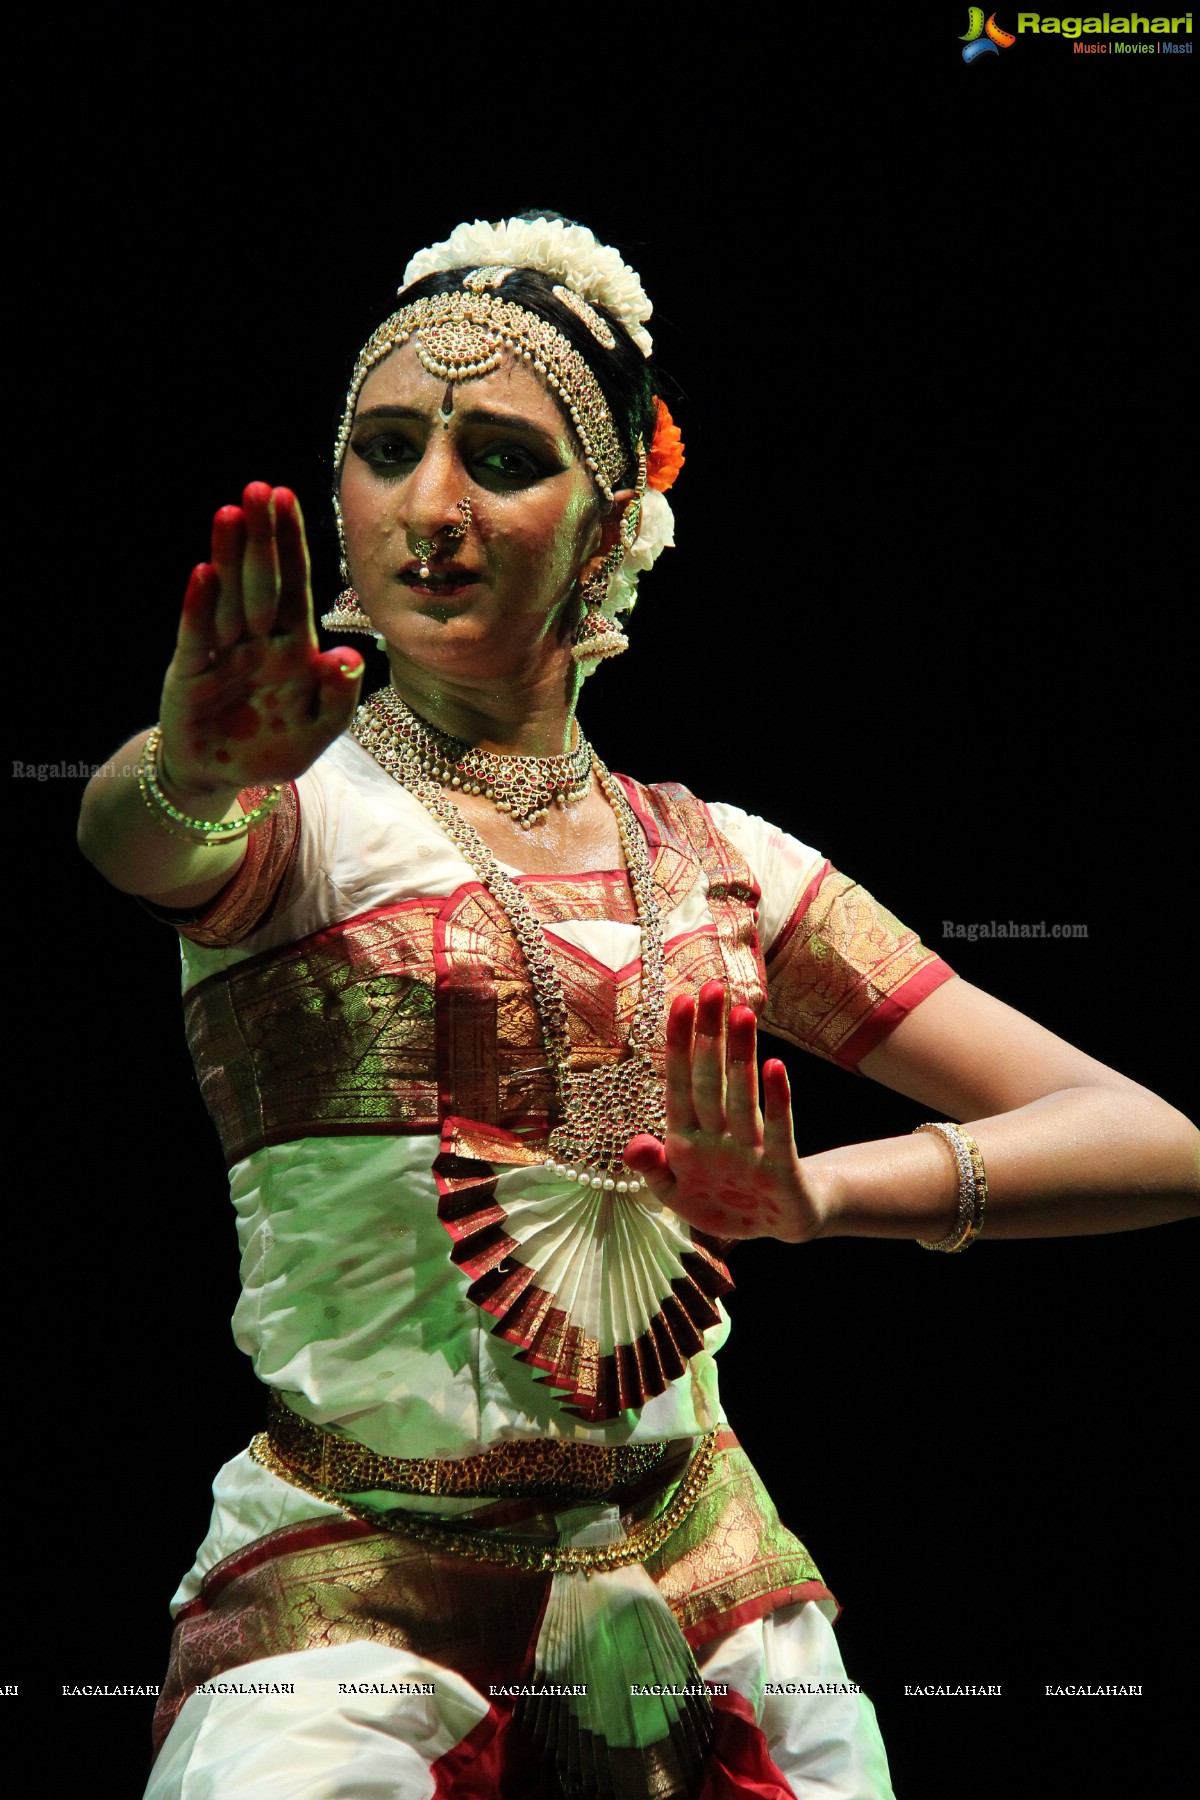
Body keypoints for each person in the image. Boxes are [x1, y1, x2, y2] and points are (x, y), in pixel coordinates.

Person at [77, 213, 1199, 1800]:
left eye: (504, 457)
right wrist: (186, 770)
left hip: (706, 1576)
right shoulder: (296, 816)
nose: (434, 507)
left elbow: (1153, 1138)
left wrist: (816, 1199)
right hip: (358, 1596)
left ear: (611, 528)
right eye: (389, 449)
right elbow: (137, 839)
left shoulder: (726, 866)